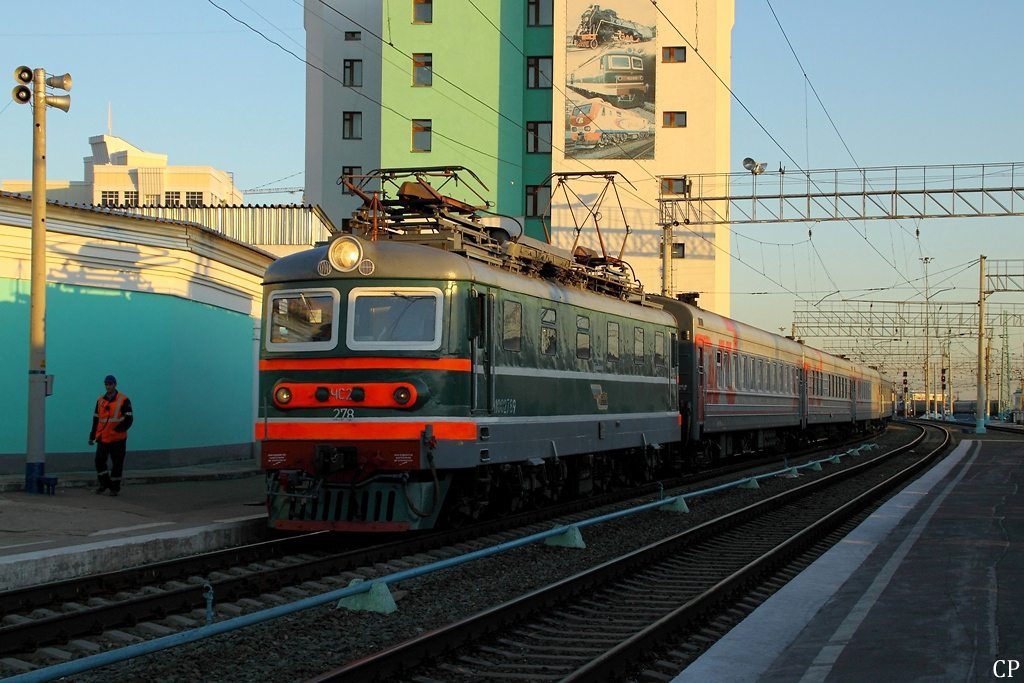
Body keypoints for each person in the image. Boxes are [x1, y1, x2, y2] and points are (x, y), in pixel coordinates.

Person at [89, 375, 134, 496]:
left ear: (115, 385)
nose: (108, 386)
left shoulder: (123, 399)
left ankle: (114, 488)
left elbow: (129, 419)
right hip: (103, 437)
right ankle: (104, 483)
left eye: (110, 384)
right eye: (106, 384)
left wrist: (117, 430)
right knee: (99, 461)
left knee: (117, 463)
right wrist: (92, 436)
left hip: (117, 438)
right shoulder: (100, 400)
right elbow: (96, 419)